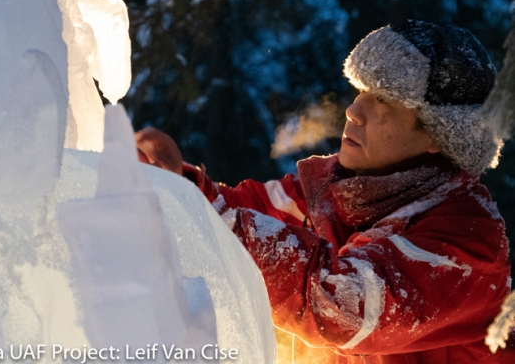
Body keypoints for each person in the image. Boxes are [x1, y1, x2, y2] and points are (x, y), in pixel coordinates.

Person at [136, 20, 513, 363]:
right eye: (361, 90)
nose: (353, 110)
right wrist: (177, 185)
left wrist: (199, 216)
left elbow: (339, 306)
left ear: (437, 135)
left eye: (383, 100)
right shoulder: (337, 188)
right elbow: (247, 209)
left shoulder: (467, 243)